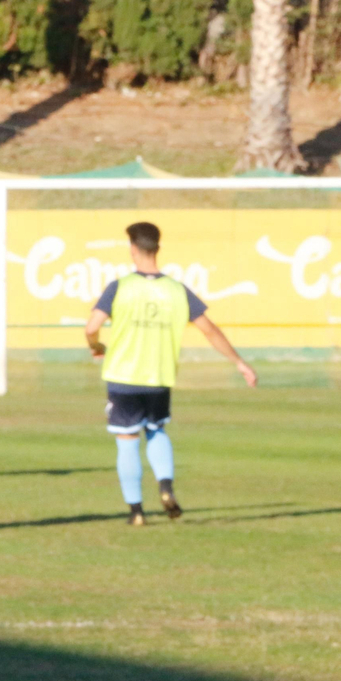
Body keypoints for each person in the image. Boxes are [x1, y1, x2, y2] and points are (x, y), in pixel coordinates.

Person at [85, 222, 258, 525]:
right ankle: (165, 486)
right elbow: (209, 330)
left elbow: (91, 327)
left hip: (123, 376)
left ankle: (136, 512)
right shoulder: (178, 290)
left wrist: (96, 345)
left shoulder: (120, 287)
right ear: (158, 248)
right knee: (156, 430)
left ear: (133, 249)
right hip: (159, 376)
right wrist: (239, 362)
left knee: (127, 439)